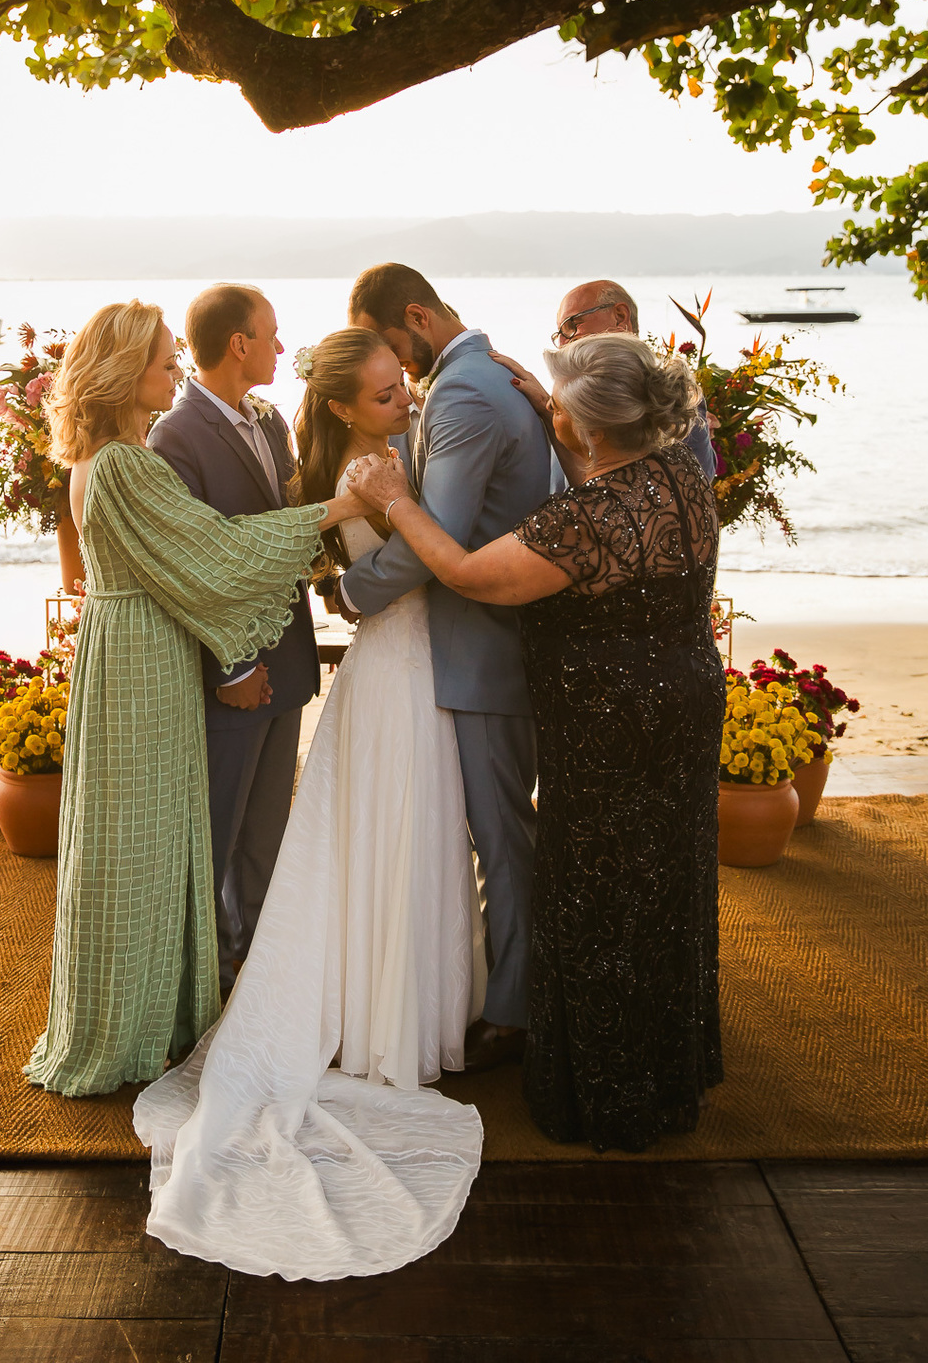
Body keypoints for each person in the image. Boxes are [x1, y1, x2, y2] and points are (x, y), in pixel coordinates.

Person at [133, 328, 485, 1280]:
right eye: (384, 394)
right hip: (393, 672)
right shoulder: (354, 475)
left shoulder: (397, 453)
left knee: (419, 838)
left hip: (422, 667)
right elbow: (378, 580)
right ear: (340, 408)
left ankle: (419, 1006)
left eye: (402, 384)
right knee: (380, 835)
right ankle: (378, 1023)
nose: (405, 401)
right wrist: (380, 537)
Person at [349, 331, 726, 1154]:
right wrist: (560, 418)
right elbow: (614, 490)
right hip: (688, 702)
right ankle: (670, 1070)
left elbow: (465, 572)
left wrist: (397, 500)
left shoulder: (581, 522)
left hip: (609, 727)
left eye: (562, 404)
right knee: (668, 875)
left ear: (590, 427)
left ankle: (609, 1091)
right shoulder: (680, 476)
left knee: (598, 892)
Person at [26, 300, 360, 1098]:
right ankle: (140, 1027)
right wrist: (345, 507)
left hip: (126, 653)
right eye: (164, 360)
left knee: (133, 841)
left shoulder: (102, 459)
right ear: (123, 371)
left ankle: (138, 1012)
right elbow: (220, 553)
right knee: (147, 844)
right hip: (142, 664)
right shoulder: (126, 464)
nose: (176, 370)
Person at [338, 263, 554, 1071]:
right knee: (495, 831)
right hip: (489, 646)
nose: (395, 367)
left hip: (483, 651)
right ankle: (491, 990)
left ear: (418, 317)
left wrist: (353, 589)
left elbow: (441, 540)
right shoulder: (482, 375)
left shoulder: (463, 394)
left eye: (392, 347)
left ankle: (514, 1013)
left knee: (501, 837)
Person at [149, 284, 320, 996]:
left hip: (288, 658)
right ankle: (206, 984)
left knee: (268, 834)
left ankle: (257, 977)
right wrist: (232, 667)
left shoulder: (270, 421)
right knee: (218, 833)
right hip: (233, 673)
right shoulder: (175, 436)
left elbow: (285, 526)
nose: (281, 347)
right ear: (238, 344)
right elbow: (194, 565)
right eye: (270, 335)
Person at [551, 279, 716, 480]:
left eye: (572, 325)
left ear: (620, 317)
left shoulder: (669, 393)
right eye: (559, 333)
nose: (562, 342)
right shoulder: (568, 393)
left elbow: (696, 480)